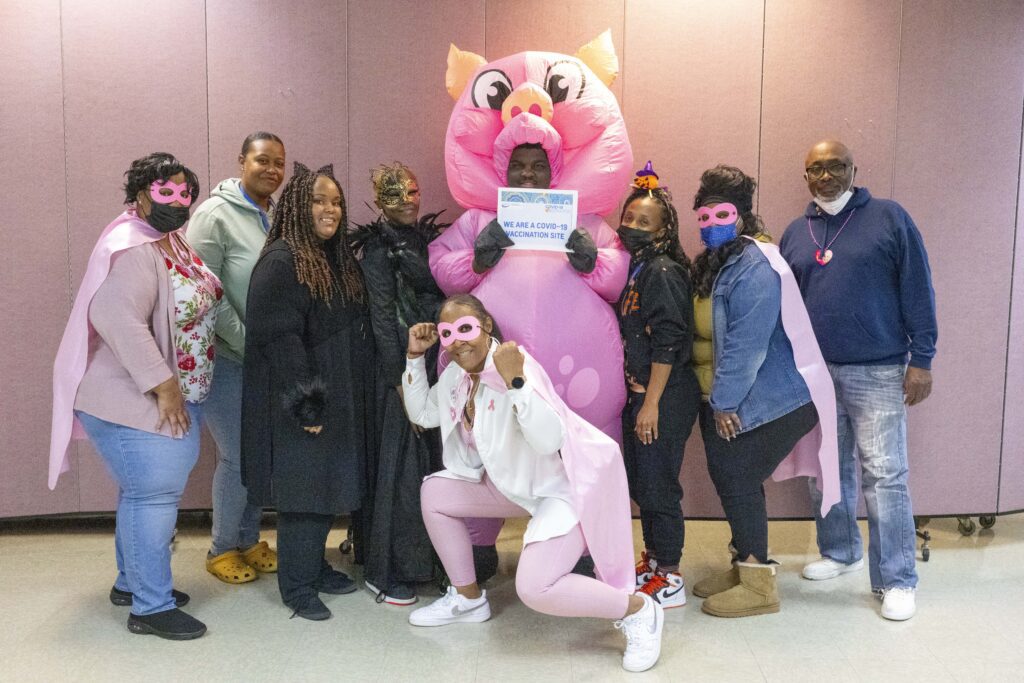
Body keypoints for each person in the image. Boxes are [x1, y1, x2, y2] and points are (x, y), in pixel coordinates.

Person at [402, 294, 664, 673]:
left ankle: (640, 611)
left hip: (558, 492)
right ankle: (468, 598)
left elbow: (547, 440)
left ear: (486, 326)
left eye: (466, 329)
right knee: (435, 493)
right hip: (511, 487)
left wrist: (517, 383)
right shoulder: (457, 374)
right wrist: (414, 357)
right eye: (447, 333)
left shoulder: (515, 366)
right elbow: (425, 414)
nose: (458, 341)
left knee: (534, 588)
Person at [431, 141, 626, 582]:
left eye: (538, 166)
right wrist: (478, 257)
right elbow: (442, 268)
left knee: (575, 455)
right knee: (486, 448)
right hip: (497, 372)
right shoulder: (480, 220)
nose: (527, 175)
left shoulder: (582, 221)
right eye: (518, 166)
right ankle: (478, 544)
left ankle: (581, 545)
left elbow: (617, 277)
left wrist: (593, 260)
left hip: (577, 378)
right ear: (503, 168)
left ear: (552, 171)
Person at [49, 152, 221, 639]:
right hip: (134, 397)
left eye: (186, 193)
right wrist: (164, 386)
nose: (178, 201)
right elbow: (115, 317)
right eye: (166, 192)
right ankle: (150, 606)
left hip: (161, 392)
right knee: (154, 498)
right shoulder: (133, 247)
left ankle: (133, 583)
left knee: (142, 495)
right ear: (142, 194)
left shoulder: (167, 240)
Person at [780, 140, 937, 621]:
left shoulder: (890, 218)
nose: (825, 176)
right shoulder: (795, 232)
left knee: (885, 475)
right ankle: (840, 551)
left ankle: (896, 579)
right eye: (814, 169)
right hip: (814, 374)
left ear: (853, 169)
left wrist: (922, 358)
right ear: (806, 177)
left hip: (878, 369)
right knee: (827, 470)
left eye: (834, 166)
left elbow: (918, 287)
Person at [688, 165, 839, 618]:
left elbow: (746, 344)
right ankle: (744, 565)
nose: (712, 225)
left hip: (775, 395)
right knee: (730, 475)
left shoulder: (754, 265)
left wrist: (724, 403)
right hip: (739, 392)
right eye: (704, 217)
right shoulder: (722, 262)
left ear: (743, 215)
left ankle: (758, 582)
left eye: (722, 214)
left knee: (737, 476)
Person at [241, 162, 375, 621]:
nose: (329, 209)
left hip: (335, 392)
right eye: (318, 200)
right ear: (298, 205)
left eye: (336, 201)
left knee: (324, 486)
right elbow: (281, 342)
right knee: (303, 493)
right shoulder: (282, 260)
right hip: (300, 400)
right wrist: (307, 404)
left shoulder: (328, 259)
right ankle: (297, 586)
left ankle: (314, 568)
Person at [187, 131, 285, 584]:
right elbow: (205, 293)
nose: (271, 169)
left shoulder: (274, 215)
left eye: (278, 162)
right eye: (262, 159)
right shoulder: (214, 216)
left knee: (258, 456)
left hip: (266, 361)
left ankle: (247, 540)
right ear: (241, 160)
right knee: (237, 457)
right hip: (226, 356)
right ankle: (221, 548)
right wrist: (248, 343)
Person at [351, 163, 448, 605]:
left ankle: (430, 561)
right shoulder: (377, 251)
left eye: (412, 190)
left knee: (434, 465)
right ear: (379, 200)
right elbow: (381, 317)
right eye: (395, 193)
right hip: (397, 372)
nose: (408, 199)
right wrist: (398, 381)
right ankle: (385, 568)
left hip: (434, 364)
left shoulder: (427, 241)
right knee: (400, 468)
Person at [614, 163, 700, 608]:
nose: (632, 228)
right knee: (645, 483)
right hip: (641, 395)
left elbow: (668, 342)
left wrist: (650, 404)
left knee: (660, 484)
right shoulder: (635, 269)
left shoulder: (662, 270)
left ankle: (670, 573)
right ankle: (653, 561)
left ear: (665, 230)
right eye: (628, 219)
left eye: (644, 223)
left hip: (664, 396)